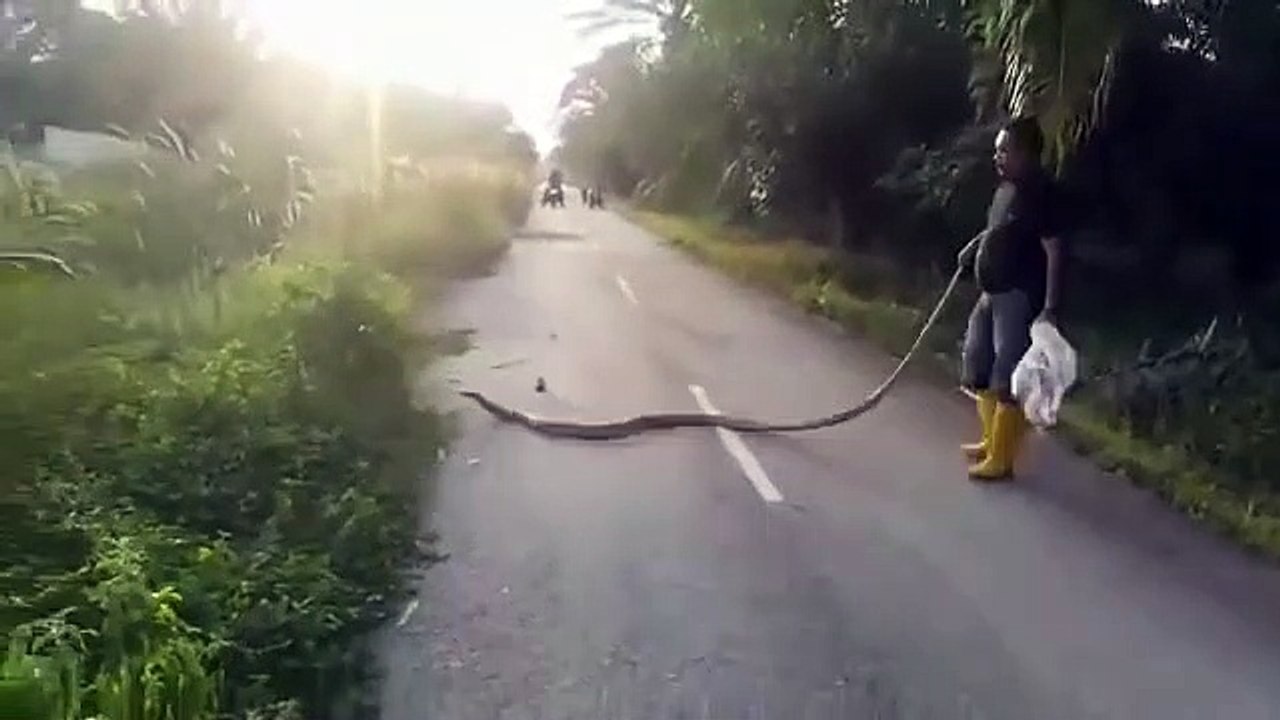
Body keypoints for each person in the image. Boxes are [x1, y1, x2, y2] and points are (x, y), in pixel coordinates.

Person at [956, 116, 1065, 481]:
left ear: (1027, 154)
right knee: (978, 364)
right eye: (997, 150)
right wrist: (972, 249)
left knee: (1008, 377)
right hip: (990, 293)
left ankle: (1002, 461)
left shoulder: (1041, 193)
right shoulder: (1006, 190)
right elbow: (994, 230)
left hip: (1018, 296)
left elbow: (1054, 251)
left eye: (1005, 150)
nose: (998, 157)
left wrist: (1049, 307)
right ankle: (991, 441)